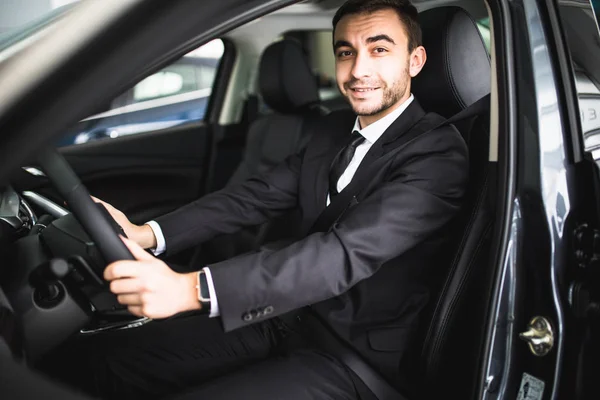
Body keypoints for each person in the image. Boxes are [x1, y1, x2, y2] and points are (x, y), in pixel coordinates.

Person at [58, 0, 469, 398]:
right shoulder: (333, 129)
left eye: (379, 49)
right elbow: (254, 198)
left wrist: (191, 289)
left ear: (415, 61)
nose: (358, 70)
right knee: (102, 362)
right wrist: (146, 233)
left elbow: (342, 253)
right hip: (284, 314)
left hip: (353, 356)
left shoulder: (437, 153)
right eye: (346, 52)